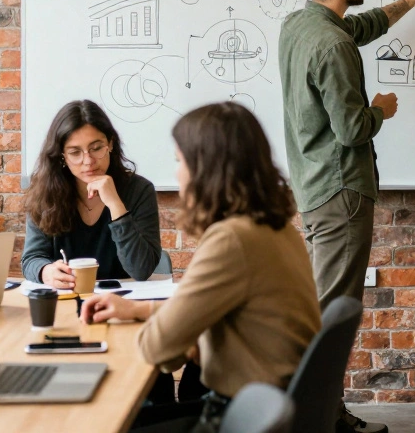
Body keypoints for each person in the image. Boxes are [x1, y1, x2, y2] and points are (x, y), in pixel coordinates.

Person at [278, 0, 415, 433]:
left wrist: (412, 1)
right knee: (333, 316)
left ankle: (322, 413)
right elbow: (352, 129)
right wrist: (381, 109)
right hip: (342, 192)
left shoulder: (301, 25)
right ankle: (317, 420)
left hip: (314, 188)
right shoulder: (333, 45)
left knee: (323, 308)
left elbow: (361, 26)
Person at [80, 103, 321, 432]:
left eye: (180, 161)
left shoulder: (231, 240)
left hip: (243, 414)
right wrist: (139, 310)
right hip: (274, 406)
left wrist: (178, 336)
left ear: (206, 169)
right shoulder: (272, 226)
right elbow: (205, 316)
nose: (178, 174)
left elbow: (159, 350)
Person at [21, 99, 161, 286]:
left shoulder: (139, 190)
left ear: (110, 144)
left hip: (122, 299)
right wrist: (45, 271)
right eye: (75, 153)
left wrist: (116, 205)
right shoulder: (45, 191)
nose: (88, 161)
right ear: (62, 155)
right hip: (66, 297)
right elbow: (31, 259)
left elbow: (141, 270)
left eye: (96, 148)